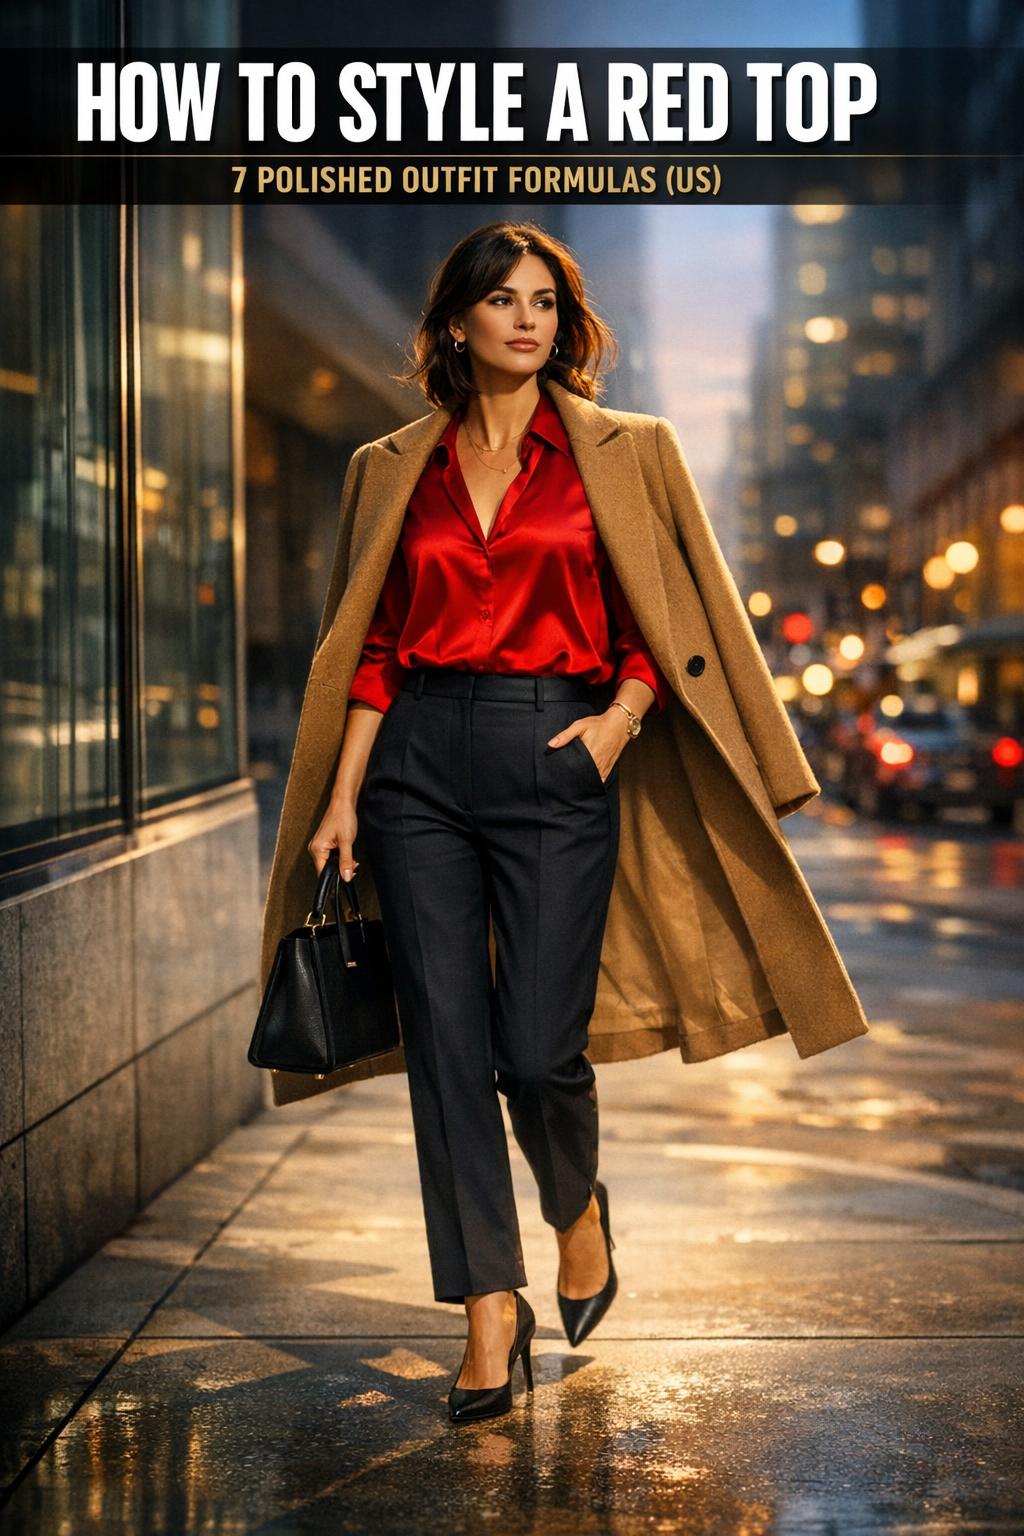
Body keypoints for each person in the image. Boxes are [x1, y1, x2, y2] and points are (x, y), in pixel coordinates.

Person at [307, 220, 670, 1425]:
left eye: (546, 302)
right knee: (447, 1052)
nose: (527, 320)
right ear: (456, 322)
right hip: (415, 760)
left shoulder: (618, 454)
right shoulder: (392, 465)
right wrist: (346, 791)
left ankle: (576, 1212)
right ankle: (485, 1311)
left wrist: (618, 719)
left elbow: (660, 628)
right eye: (502, 300)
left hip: (559, 748)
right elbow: (367, 645)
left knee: (535, 1051)